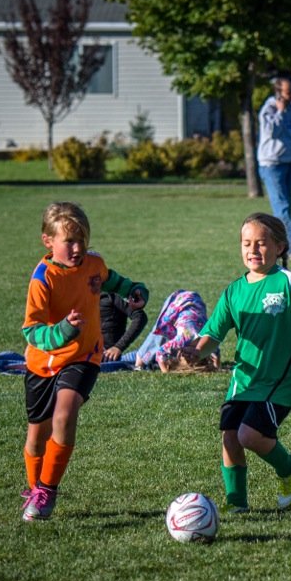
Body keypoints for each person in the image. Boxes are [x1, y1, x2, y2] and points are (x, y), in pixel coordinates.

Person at [181, 213, 291, 514]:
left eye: (261, 243)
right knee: (230, 438)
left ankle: (290, 467)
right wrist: (195, 351)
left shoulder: (288, 283)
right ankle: (237, 504)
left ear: (280, 247)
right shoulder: (234, 291)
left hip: (280, 381)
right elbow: (213, 335)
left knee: (249, 435)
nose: (253, 250)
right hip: (244, 380)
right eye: (246, 243)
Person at [19, 201, 141, 521]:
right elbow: (31, 331)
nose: (77, 249)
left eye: (82, 241)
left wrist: (133, 289)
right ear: (48, 241)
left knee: (65, 413)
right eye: (69, 241)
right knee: (36, 438)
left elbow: (110, 279)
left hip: (85, 355)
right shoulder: (42, 279)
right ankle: (35, 489)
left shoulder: (93, 263)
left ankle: (47, 489)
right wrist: (62, 331)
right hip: (43, 363)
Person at [257, 75, 291, 262]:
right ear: (278, 93)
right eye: (288, 92)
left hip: (288, 162)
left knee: (284, 210)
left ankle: (278, 248)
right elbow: (271, 132)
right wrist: (279, 113)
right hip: (271, 165)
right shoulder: (268, 110)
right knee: (282, 208)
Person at [125, 289, 209, 371]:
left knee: (164, 340)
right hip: (177, 301)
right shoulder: (183, 339)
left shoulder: (208, 344)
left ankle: (136, 357)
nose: (185, 355)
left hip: (193, 301)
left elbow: (214, 352)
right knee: (160, 333)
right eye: (190, 357)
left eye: (182, 358)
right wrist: (165, 372)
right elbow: (160, 353)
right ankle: (138, 362)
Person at [100, 284, 150, 362]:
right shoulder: (82, 295)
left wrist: (118, 347)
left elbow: (140, 317)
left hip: (107, 357)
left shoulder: (111, 293)